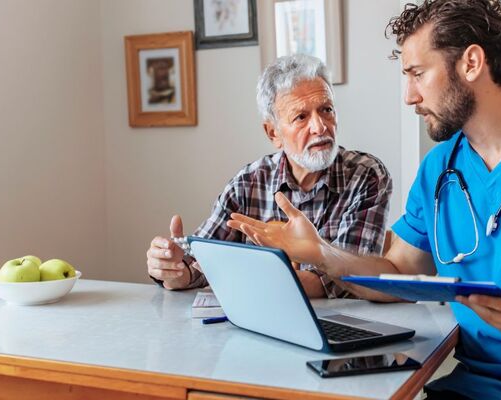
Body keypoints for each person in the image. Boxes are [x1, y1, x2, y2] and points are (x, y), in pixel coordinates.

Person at [226, 1, 501, 398]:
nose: (409, 96)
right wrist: (322, 255)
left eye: (417, 74)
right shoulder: (439, 168)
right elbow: (398, 273)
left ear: (471, 63)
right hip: (471, 388)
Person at [146, 54, 392, 299]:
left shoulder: (365, 175)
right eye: (301, 117)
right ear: (273, 133)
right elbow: (199, 261)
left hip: (343, 319)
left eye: (326, 110)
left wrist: (241, 277)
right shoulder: (247, 183)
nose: (320, 127)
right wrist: (175, 270)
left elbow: (351, 279)